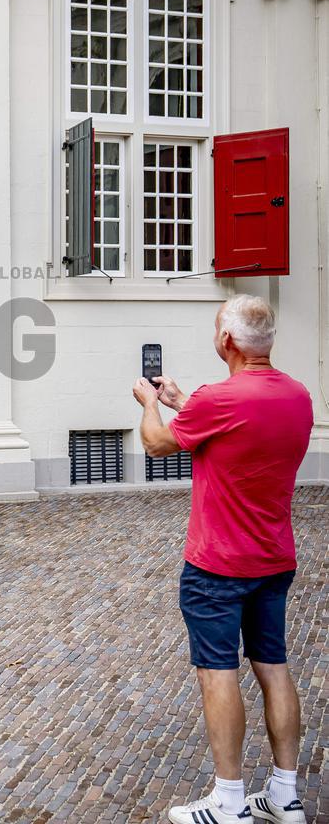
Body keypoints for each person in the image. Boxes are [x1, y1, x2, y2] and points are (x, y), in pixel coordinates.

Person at [132, 295, 312, 824]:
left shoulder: (222, 397)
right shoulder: (298, 396)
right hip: (274, 559)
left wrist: (148, 401)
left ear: (227, 341)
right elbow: (237, 428)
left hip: (217, 566)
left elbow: (158, 445)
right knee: (274, 669)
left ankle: (229, 802)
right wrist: (184, 399)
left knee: (218, 674)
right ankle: (285, 796)